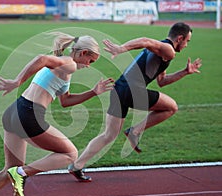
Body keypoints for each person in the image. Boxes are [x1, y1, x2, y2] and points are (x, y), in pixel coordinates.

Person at [0, 32, 114, 196]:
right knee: (71, 154)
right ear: (83, 53)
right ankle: (21, 173)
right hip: (29, 115)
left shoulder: (64, 67)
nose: (89, 65)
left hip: (14, 111)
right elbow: (41, 59)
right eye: (91, 61)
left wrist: (94, 92)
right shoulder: (70, 64)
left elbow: (65, 101)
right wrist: (17, 81)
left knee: (7, 172)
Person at [68, 22, 202, 182]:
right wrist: (121, 48)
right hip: (132, 91)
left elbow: (162, 81)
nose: (186, 45)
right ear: (180, 38)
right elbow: (145, 40)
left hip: (119, 90)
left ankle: (77, 166)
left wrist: (185, 72)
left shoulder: (160, 51)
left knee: (108, 135)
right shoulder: (168, 50)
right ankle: (135, 131)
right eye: (187, 41)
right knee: (171, 107)